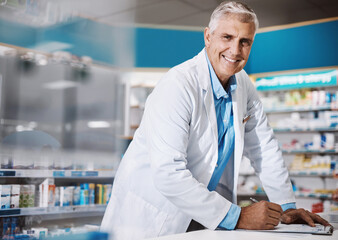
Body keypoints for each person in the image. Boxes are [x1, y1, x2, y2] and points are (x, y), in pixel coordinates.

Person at [101, 1, 330, 239]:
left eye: (245, 42)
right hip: (154, 216)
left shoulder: (243, 85)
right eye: (227, 37)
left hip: (203, 216)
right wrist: (239, 216)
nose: (235, 50)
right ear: (208, 37)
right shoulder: (177, 85)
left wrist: (286, 206)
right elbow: (169, 173)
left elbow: (264, 149)